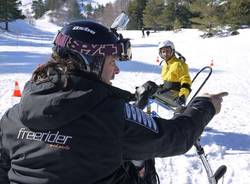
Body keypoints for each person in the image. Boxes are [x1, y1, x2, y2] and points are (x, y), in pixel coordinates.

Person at [0, 20, 228, 184]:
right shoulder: (113, 117)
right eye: (112, 62)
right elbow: (175, 138)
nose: (116, 70)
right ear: (90, 61)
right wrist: (204, 106)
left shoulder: (13, 116)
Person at [153, 40, 192, 107]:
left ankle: (135, 111)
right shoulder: (166, 65)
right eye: (163, 52)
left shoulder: (179, 64)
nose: (165, 54)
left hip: (175, 97)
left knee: (149, 87)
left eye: (168, 51)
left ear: (173, 51)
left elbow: (186, 81)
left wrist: (182, 96)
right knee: (149, 87)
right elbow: (170, 81)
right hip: (167, 92)